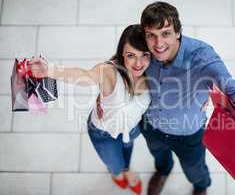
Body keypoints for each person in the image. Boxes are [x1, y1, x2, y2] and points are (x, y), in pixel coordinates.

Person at [137, 2, 235, 195]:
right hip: (151, 124)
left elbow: (232, 88)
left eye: (165, 33)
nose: (158, 44)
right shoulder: (142, 48)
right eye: (151, 35)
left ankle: (201, 187)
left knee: (195, 170)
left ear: (178, 32)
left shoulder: (202, 58)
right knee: (159, 156)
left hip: (187, 133)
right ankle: (163, 171)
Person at [30, 24, 151, 195]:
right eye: (131, 55)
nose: (138, 64)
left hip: (132, 129)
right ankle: (117, 173)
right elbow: (84, 75)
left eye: (144, 55)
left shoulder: (153, 70)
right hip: (103, 133)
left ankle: (126, 169)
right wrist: (49, 70)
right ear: (122, 53)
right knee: (114, 165)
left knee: (127, 150)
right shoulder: (109, 71)